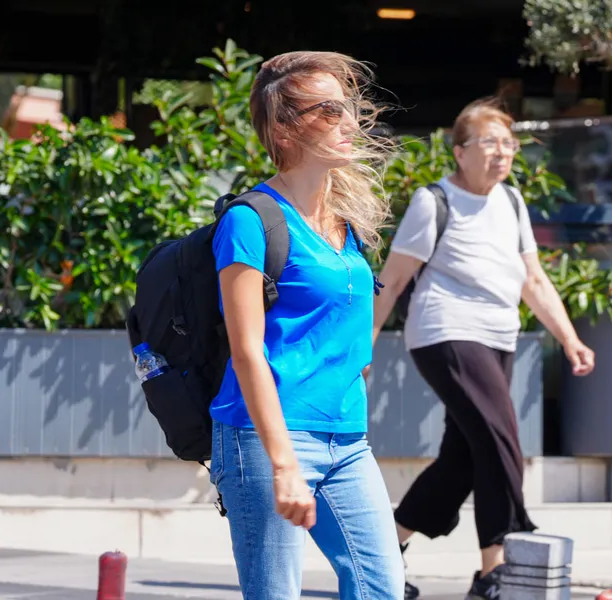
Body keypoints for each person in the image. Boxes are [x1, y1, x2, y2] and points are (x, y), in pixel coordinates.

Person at [371, 98, 596, 600]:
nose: (502, 153)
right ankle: (494, 568)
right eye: (490, 143)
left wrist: (569, 338)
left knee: (466, 457)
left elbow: (533, 280)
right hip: (445, 332)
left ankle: (383, 554)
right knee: (500, 439)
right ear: (459, 152)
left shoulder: (511, 202)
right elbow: (392, 277)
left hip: (497, 335)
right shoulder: (434, 201)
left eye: (509, 144)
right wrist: (363, 345)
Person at [209, 50, 404, 600]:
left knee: (380, 589)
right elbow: (246, 351)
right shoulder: (250, 221)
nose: (349, 123)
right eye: (328, 110)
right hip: (265, 437)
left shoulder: (349, 226)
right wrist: (282, 464)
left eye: (349, 109)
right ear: (283, 127)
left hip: (347, 440)